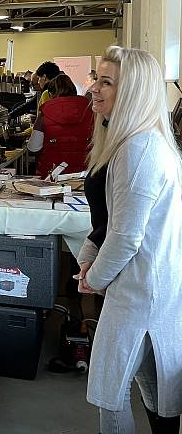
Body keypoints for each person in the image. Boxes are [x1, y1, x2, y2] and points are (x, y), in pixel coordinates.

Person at [75, 46, 182, 434]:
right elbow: (107, 221)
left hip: (139, 291)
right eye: (95, 80)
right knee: (153, 388)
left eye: (107, 82)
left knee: (111, 392)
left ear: (134, 90)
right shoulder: (133, 141)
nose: (94, 90)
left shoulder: (138, 148)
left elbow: (124, 238)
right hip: (145, 287)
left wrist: (93, 278)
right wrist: (90, 258)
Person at [26, 74, 94, 178]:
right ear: (74, 91)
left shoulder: (44, 113)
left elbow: (33, 148)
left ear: (50, 94)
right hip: (83, 176)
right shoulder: (90, 110)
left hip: (51, 177)